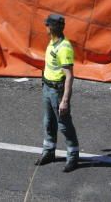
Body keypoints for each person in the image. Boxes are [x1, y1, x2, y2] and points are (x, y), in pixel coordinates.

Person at [36, 13, 79, 172]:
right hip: (47, 88)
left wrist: (65, 100)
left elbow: (69, 76)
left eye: (47, 25)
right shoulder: (53, 42)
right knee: (48, 122)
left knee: (64, 124)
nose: (45, 27)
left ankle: (73, 156)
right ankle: (49, 152)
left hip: (57, 91)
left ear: (52, 28)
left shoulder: (64, 48)